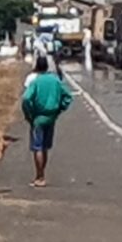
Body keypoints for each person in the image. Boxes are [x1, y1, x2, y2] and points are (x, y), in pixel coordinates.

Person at [21, 55, 73, 187]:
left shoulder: (36, 82)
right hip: (51, 117)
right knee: (44, 147)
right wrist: (60, 108)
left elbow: (26, 98)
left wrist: (29, 114)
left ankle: (40, 176)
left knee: (37, 147)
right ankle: (42, 174)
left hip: (38, 117)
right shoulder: (55, 81)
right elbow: (67, 96)